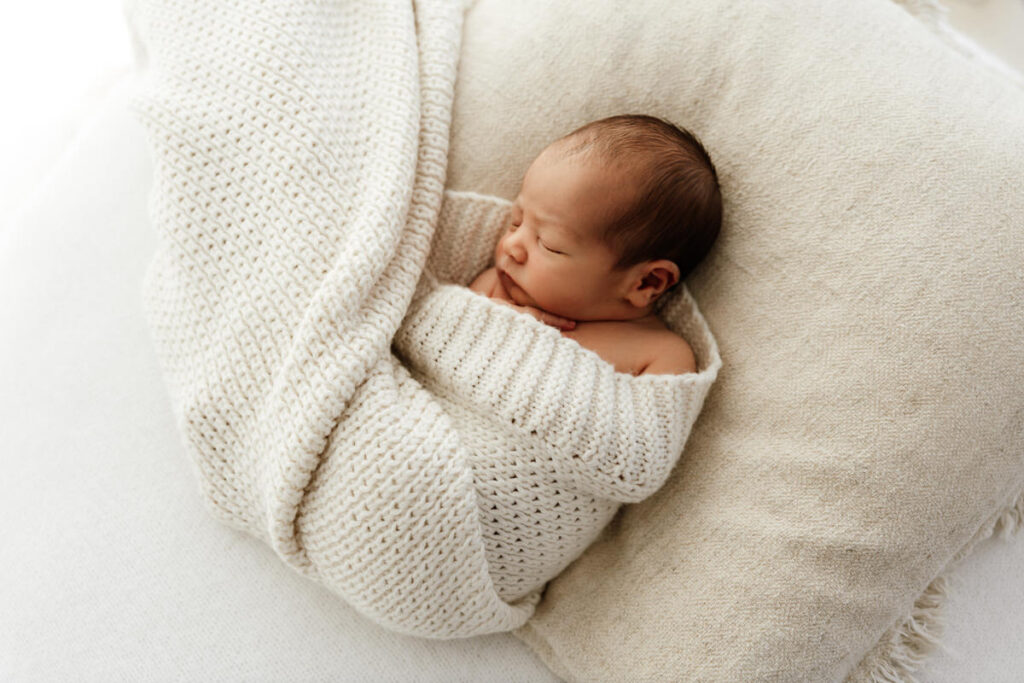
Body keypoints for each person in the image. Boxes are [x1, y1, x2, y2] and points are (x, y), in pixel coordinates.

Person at [468, 114, 722, 376]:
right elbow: (444, 333)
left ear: (648, 282)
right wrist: (498, 322)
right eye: (516, 221)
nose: (512, 245)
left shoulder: (660, 354)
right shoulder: (495, 288)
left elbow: (654, 417)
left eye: (549, 245)